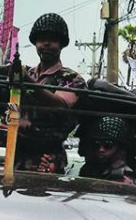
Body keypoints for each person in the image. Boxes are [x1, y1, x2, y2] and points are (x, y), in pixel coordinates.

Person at [16, 12, 86, 174]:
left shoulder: (72, 78)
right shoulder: (26, 73)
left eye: (52, 40)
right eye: (41, 40)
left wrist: (27, 81)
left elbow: (61, 105)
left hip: (49, 159)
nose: (46, 44)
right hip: (17, 155)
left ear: (61, 44)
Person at [79, 117, 136, 185]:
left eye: (107, 145)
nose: (101, 150)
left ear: (120, 149)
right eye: (97, 145)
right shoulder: (89, 169)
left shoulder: (124, 176)